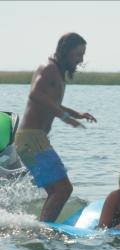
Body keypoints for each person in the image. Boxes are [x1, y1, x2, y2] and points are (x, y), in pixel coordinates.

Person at [15, 32, 97, 222]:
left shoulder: (57, 72)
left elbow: (50, 102)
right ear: (65, 51)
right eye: (78, 54)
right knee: (63, 189)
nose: (81, 60)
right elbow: (35, 94)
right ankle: (42, 230)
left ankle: (42, 227)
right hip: (31, 138)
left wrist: (77, 114)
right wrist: (65, 117)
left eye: (83, 55)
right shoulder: (49, 68)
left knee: (57, 190)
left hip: (34, 139)